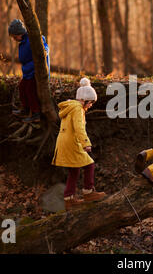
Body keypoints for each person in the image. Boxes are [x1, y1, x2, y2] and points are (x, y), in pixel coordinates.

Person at [52, 78, 106, 210]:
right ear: (84, 99)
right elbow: (79, 128)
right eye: (91, 102)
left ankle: (69, 199)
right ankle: (88, 192)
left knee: (74, 170)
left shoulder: (71, 107)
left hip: (64, 142)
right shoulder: (77, 109)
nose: (91, 105)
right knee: (89, 164)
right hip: (72, 142)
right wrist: (86, 143)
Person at [8, 19, 50, 123]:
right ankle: (25, 109)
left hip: (35, 72)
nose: (13, 38)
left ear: (20, 33)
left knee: (30, 90)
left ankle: (36, 114)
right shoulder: (23, 42)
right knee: (22, 87)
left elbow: (44, 46)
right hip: (28, 72)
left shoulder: (33, 39)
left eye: (14, 36)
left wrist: (45, 51)